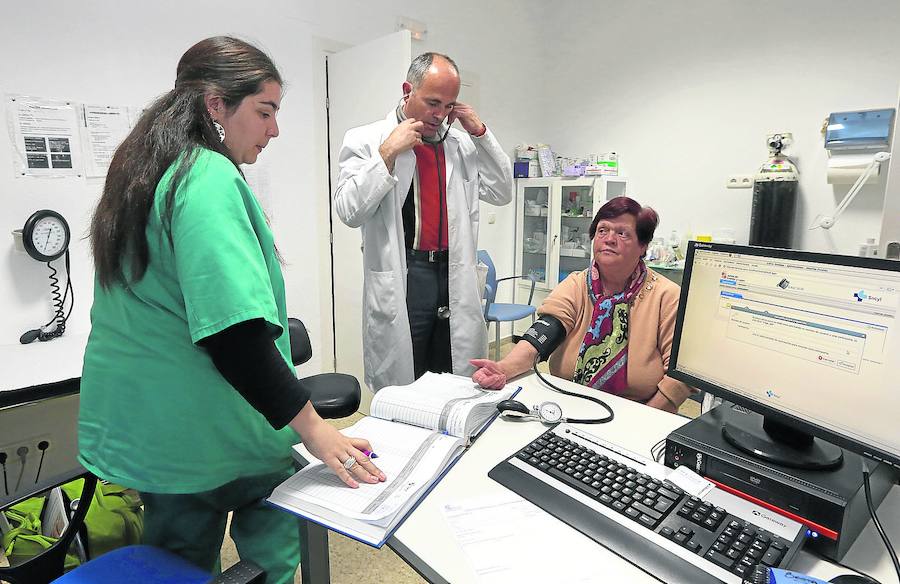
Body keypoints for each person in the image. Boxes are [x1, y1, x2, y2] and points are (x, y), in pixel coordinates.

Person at [79, 36, 384, 583]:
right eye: (264, 112)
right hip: (207, 430)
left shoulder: (144, 172)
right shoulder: (206, 177)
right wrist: (315, 430)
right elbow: (234, 335)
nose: (274, 130)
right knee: (272, 552)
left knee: (176, 563)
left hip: (154, 433)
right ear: (215, 105)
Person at [334, 52, 512, 392]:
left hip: (453, 271)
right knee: (406, 379)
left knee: (453, 377)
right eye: (433, 102)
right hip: (408, 273)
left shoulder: (459, 144)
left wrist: (481, 133)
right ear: (407, 90)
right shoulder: (367, 139)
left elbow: (502, 191)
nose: (440, 115)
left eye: (449, 105)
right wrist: (387, 153)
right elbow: (348, 210)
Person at [471, 197, 694, 413]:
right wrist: (503, 368)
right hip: (570, 404)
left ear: (643, 246)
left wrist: (644, 417)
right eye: (602, 230)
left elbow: (680, 377)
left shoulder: (667, 296)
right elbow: (543, 333)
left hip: (638, 411)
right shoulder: (576, 285)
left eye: (622, 233)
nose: (609, 239)